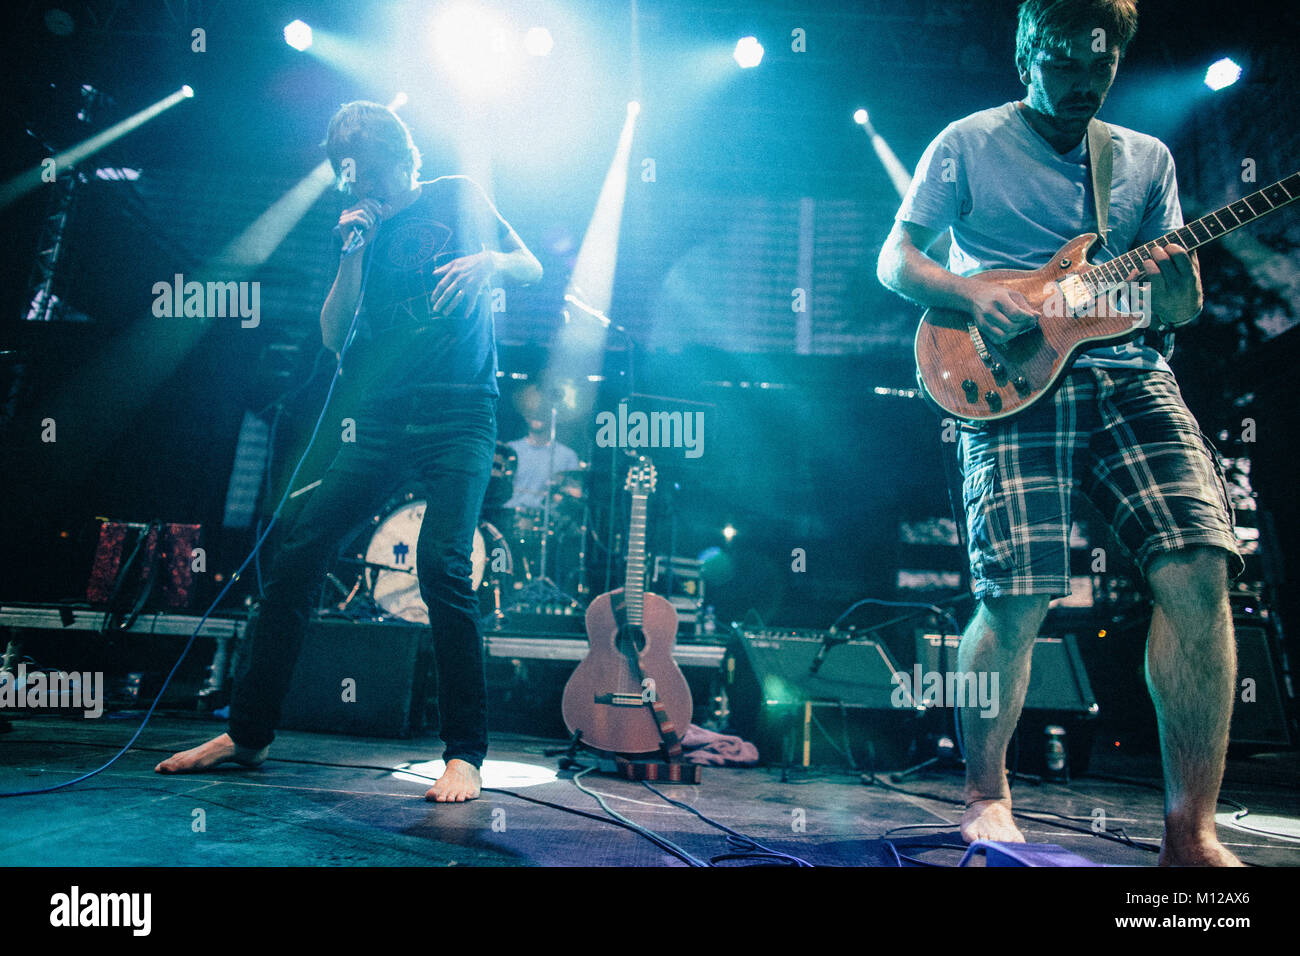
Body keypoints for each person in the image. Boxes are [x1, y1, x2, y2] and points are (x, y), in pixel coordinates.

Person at [877, 0, 1244, 865]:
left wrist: (1178, 263)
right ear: (1027, 55)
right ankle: (986, 794)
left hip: (1132, 373)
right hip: (1007, 381)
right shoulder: (967, 141)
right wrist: (972, 295)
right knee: (1018, 590)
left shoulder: (1145, 159)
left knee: (1198, 563)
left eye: (1100, 64)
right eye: (1064, 65)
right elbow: (897, 259)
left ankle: (1190, 831)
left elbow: (1181, 308)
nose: (1083, 81)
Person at [157, 101, 542, 802]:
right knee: (300, 548)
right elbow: (335, 337)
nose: (358, 184)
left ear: (399, 157)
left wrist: (491, 260)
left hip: (461, 414)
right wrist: (354, 251)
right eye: (346, 172)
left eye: (366, 169)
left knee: (444, 566)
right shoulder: (357, 229)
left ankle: (466, 755)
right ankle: (248, 734)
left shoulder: (457, 194)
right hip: (383, 420)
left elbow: (531, 265)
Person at [504, 385, 580, 511]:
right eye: (533, 410)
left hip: (548, 523)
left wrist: (563, 494)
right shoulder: (510, 450)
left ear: (552, 415)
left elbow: (576, 494)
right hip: (507, 520)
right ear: (525, 414)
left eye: (542, 410)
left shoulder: (567, 456)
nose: (537, 414)